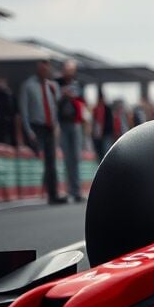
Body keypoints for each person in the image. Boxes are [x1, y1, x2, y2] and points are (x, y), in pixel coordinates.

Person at [19, 59, 66, 204]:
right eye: (41, 69)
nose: (44, 71)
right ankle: (34, 191)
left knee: (51, 162)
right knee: (38, 159)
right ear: (37, 69)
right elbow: (24, 110)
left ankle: (53, 195)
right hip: (35, 126)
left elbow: (55, 107)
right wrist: (28, 130)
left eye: (46, 69)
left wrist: (56, 124)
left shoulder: (52, 86)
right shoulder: (28, 86)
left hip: (49, 127)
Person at [56, 60, 88, 202]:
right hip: (62, 123)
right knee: (67, 158)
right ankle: (68, 190)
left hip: (75, 123)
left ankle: (76, 191)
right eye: (66, 69)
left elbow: (83, 102)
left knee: (76, 157)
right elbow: (54, 101)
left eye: (71, 70)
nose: (69, 72)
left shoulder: (78, 84)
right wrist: (64, 95)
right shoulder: (57, 83)